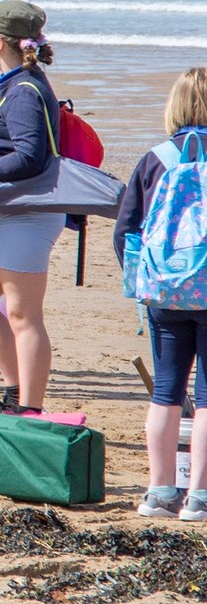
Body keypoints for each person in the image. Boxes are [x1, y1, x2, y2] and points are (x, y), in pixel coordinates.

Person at [0, 0, 66, 414]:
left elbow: (28, 159)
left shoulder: (23, 90)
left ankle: (30, 408)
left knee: (24, 316)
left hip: (28, 216)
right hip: (8, 214)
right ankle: (16, 391)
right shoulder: (15, 81)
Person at [114, 67, 207, 520]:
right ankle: (200, 497)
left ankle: (160, 492)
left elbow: (126, 231)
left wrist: (143, 284)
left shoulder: (157, 158)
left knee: (166, 389)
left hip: (165, 292)